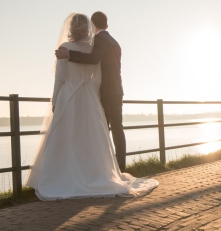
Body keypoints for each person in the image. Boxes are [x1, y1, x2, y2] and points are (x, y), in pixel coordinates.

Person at [25, 13, 158, 201]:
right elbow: (98, 76)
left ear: (70, 29)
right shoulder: (95, 46)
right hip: (91, 95)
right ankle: (98, 172)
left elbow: (60, 79)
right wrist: (93, 96)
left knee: (67, 135)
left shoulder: (65, 49)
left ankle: (65, 174)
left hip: (69, 96)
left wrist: (55, 100)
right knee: (94, 135)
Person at [55, 11, 126, 172]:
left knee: (102, 131)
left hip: (106, 92)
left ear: (92, 25)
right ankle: (119, 166)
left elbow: (94, 59)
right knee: (117, 128)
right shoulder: (115, 42)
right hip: (117, 90)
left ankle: (106, 168)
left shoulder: (99, 39)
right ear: (107, 24)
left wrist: (69, 54)